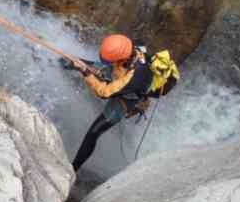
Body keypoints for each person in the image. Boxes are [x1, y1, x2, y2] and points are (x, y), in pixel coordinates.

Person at [63, 34, 177, 171]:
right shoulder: (132, 46)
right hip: (123, 72)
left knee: (93, 132)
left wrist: (86, 73)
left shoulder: (135, 79)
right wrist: (85, 68)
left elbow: (104, 92)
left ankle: (72, 169)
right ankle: (61, 62)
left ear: (122, 57)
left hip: (129, 97)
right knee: (80, 63)